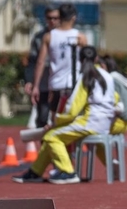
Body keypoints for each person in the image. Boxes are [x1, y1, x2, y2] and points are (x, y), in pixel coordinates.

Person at [12, 46, 116, 184]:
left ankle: (68, 172)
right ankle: (35, 171)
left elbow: (73, 109)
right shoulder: (107, 76)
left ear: (79, 60)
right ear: (96, 58)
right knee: (54, 134)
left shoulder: (86, 75)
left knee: (51, 137)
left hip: (91, 122)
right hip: (105, 122)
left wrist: (56, 120)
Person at [32, 4, 88, 122]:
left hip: (56, 84)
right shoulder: (80, 37)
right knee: (75, 119)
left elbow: (40, 62)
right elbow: (88, 60)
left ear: (59, 17)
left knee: (55, 119)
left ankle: (56, 139)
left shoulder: (49, 37)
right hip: (74, 84)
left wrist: (36, 85)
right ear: (73, 18)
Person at [24, 5, 60, 129]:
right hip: (43, 84)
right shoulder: (39, 38)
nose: (52, 21)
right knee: (42, 117)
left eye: (56, 18)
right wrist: (30, 81)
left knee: (61, 119)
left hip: (61, 85)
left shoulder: (66, 37)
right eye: (50, 18)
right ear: (45, 18)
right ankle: (44, 146)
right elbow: (33, 61)